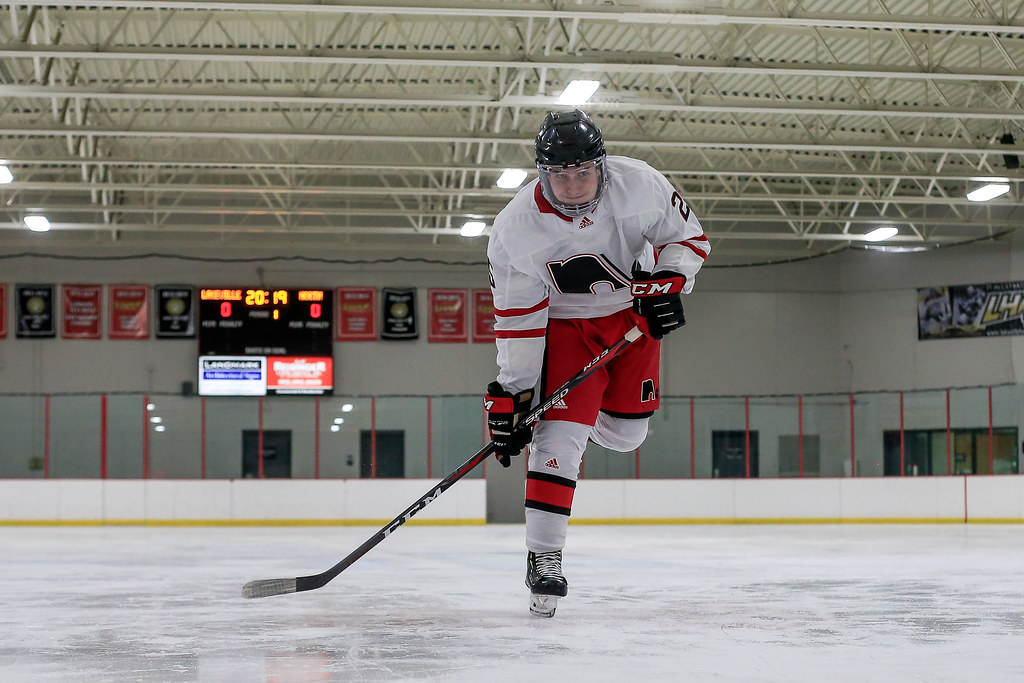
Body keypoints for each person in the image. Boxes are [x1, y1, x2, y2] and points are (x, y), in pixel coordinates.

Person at [483, 109, 710, 617]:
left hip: (632, 315)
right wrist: (516, 394)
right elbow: (518, 320)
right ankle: (545, 557)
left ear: (601, 165)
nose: (572, 184)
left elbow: (689, 238)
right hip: (563, 326)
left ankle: (576, 419)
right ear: (542, 173)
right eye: (559, 174)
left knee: (629, 436)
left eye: (582, 171)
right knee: (557, 437)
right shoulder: (515, 229)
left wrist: (670, 280)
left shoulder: (641, 184)